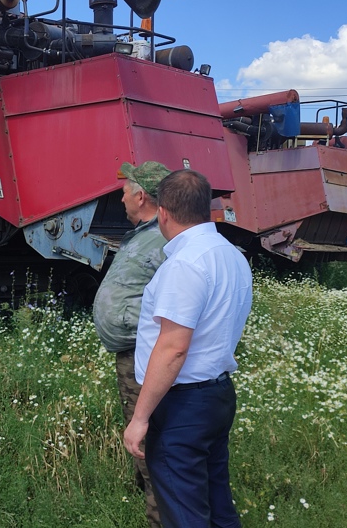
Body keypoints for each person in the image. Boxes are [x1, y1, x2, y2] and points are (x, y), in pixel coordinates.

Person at [123, 169, 253, 528]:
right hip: (217, 394)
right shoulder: (231, 255)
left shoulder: (184, 264)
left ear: (162, 212)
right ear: (205, 208)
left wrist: (140, 418)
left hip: (183, 405)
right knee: (217, 504)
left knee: (185, 514)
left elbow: (173, 348)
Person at [93, 160, 171, 528]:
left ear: (141, 196)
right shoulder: (144, 234)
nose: (120, 194)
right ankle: (150, 497)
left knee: (149, 441)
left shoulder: (165, 240)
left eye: (125, 188)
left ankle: (162, 516)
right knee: (140, 435)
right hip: (131, 353)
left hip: (145, 356)